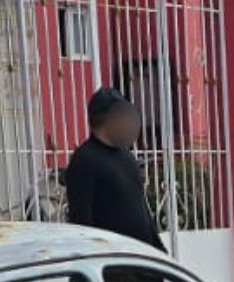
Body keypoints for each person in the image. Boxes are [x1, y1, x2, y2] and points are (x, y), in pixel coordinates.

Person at [65, 88, 165, 252]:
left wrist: (158, 249)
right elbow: (81, 220)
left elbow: (141, 208)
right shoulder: (85, 159)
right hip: (113, 265)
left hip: (142, 261)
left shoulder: (126, 156)